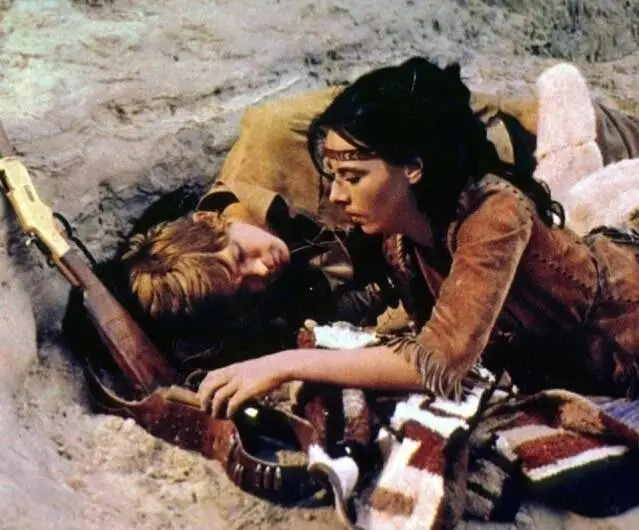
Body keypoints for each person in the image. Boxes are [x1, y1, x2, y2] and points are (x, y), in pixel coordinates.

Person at [196, 56, 639, 419]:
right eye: (335, 177)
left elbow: (438, 363)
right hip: (558, 364)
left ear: (412, 167)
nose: (336, 195)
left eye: (353, 176)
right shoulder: (400, 238)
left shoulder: (493, 216)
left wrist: (284, 365)